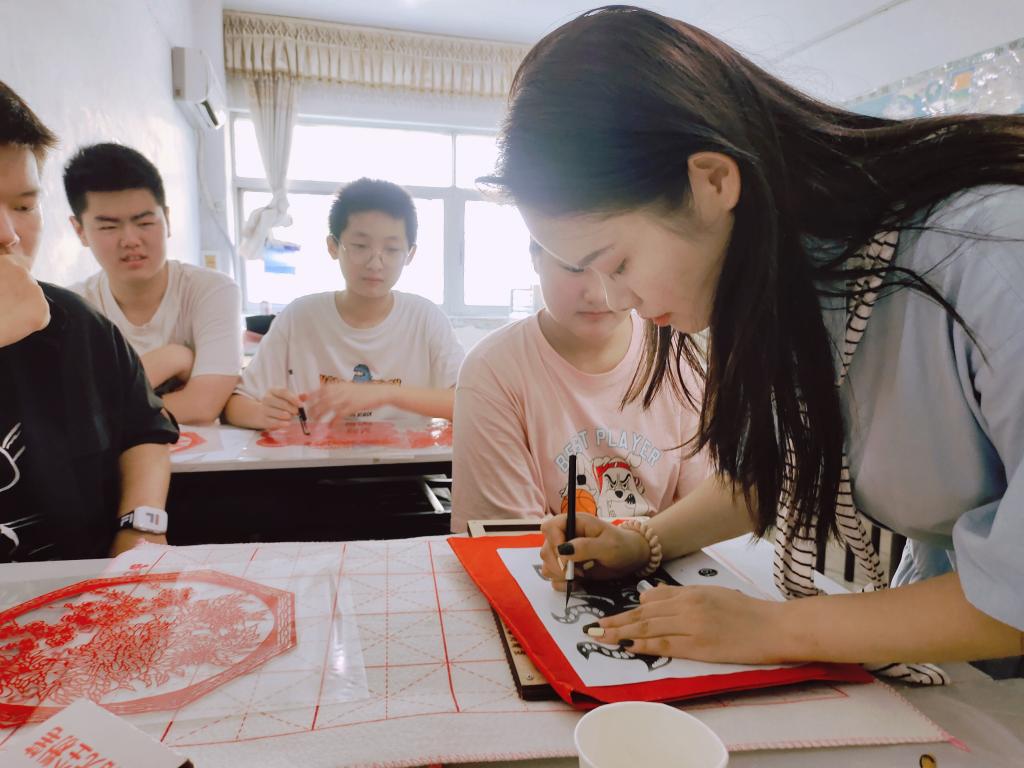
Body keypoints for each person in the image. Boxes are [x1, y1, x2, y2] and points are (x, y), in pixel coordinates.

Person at [483, 7, 1024, 669]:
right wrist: (641, 542)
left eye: (617, 263)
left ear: (712, 181)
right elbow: (772, 470)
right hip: (962, 648)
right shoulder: (796, 276)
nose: (614, 299)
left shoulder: (996, 251)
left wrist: (776, 629)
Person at [0, 82, 178, 561]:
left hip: (79, 593)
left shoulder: (74, 321)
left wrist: (139, 527)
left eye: (24, 206)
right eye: (108, 225)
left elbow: (143, 429)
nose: (8, 234)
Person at [451, 238, 707, 532]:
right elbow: (510, 541)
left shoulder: (677, 357)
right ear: (535, 257)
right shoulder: (492, 368)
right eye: (574, 267)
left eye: (619, 267)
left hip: (665, 556)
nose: (598, 294)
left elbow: (705, 514)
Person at [225, 177, 464, 430]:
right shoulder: (300, 317)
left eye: (392, 249)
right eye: (360, 246)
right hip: (314, 455)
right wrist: (262, 413)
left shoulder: (425, 318)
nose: (375, 263)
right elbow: (235, 405)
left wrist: (387, 393)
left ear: (410, 254)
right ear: (333, 247)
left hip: (405, 457)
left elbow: (472, 402)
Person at [65, 143, 242, 425]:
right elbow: (74, 413)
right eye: (109, 227)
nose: (131, 240)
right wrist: (174, 358)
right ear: (80, 231)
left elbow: (202, 406)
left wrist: (107, 412)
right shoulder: (72, 309)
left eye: (145, 223)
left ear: (167, 220)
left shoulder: (212, 291)